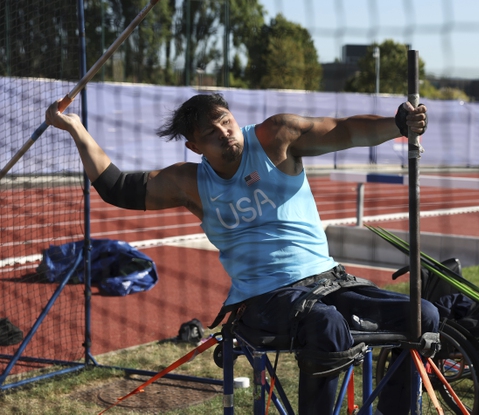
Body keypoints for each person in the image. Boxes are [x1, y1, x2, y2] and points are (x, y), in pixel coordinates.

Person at [45, 93, 439, 415]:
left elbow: (345, 130)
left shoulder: (276, 138)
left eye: (226, 122)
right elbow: (116, 187)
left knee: (423, 315)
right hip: (265, 298)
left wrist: (397, 125)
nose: (225, 133)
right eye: (211, 133)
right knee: (327, 325)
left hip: (327, 279)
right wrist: (76, 127)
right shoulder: (189, 182)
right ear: (194, 145)